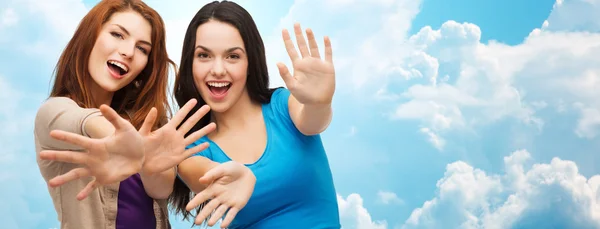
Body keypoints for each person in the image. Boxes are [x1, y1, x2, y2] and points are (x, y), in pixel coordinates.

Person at [33, 0, 216, 228]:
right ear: (89, 36)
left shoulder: (148, 124)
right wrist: (126, 143)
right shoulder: (53, 112)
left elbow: (160, 189)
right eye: (118, 34)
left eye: (142, 49)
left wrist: (147, 161)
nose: (128, 52)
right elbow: (85, 122)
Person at [170, 1, 341, 228]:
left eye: (233, 56)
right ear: (190, 63)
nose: (218, 69)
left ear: (251, 61)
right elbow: (202, 172)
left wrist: (320, 103)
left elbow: (313, 120)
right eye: (204, 55)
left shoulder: (281, 106)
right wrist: (226, 177)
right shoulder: (191, 144)